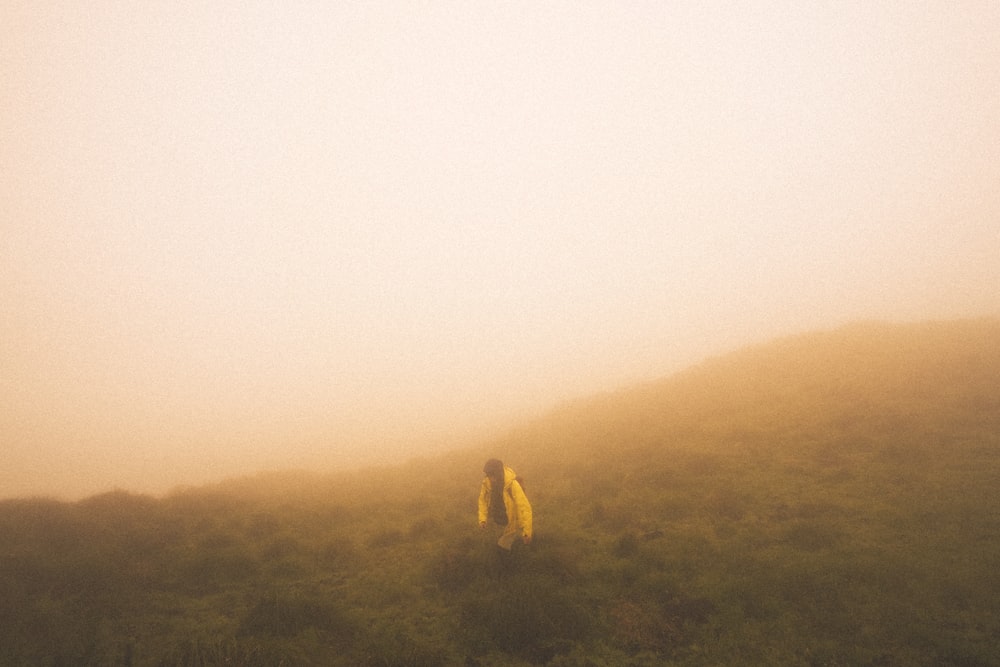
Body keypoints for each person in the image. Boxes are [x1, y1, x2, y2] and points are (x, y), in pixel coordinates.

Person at [478, 458, 532, 551]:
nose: (491, 479)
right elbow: (482, 500)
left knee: (503, 548)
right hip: (496, 519)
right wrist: (482, 519)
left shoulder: (512, 484)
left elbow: (523, 507)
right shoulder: (487, 482)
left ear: (498, 473)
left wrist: (527, 532)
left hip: (510, 521)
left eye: (492, 475)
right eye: (489, 475)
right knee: (496, 546)